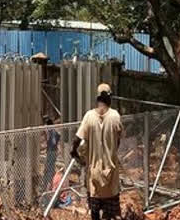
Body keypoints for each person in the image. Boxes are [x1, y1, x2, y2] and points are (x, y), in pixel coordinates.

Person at [71, 83, 122, 220]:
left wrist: (74, 153)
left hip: (94, 176)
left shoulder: (89, 116)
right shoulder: (115, 116)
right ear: (109, 98)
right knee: (111, 214)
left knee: (95, 213)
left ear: (97, 98)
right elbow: (117, 141)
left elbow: (76, 140)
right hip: (111, 175)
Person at [42, 116, 60, 194]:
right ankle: (49, 184)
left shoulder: (52, 132)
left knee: (49, 169)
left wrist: (49, 142)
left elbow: (53, 142)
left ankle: (49, 185)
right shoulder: (52, 131)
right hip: (52, 151)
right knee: (49, 168)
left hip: (51, 152)